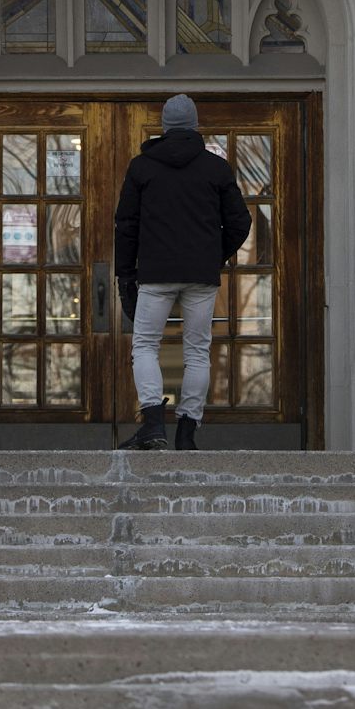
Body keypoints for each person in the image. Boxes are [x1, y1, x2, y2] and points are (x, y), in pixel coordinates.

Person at [113, 94, 252, 450]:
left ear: (164, 127)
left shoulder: (142, 167)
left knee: (144, 345)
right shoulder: (216, 169)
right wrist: (213, 255)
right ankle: (187, 432)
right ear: (194, 126)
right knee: (197, 351)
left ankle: (153, 423)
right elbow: (240, 222)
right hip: (200, 276)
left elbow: (126, 226)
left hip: (155, 274)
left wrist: (125, 275)